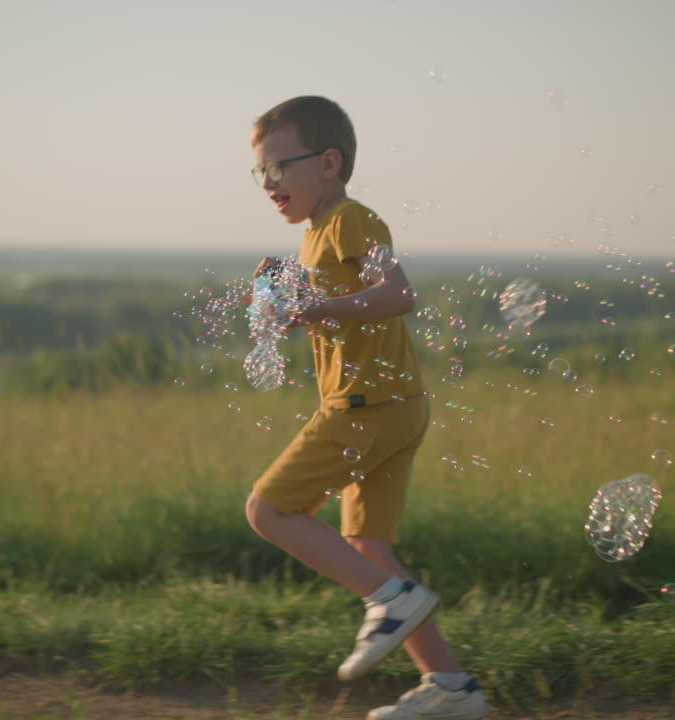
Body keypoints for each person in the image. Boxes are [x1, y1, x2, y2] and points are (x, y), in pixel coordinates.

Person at [243, 95, 489, 720]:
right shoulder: (316, 236)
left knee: (269, 509)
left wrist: (320, 305)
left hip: (366, 408)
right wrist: (295, 294)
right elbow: (343, 306)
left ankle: (389, 602)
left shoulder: (352, 219)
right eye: (260, 172)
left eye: (280, 168)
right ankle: (452, 690)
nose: (269, 183)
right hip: (393, 404)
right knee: (368, 547)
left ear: (329, 163)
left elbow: (397, 293)